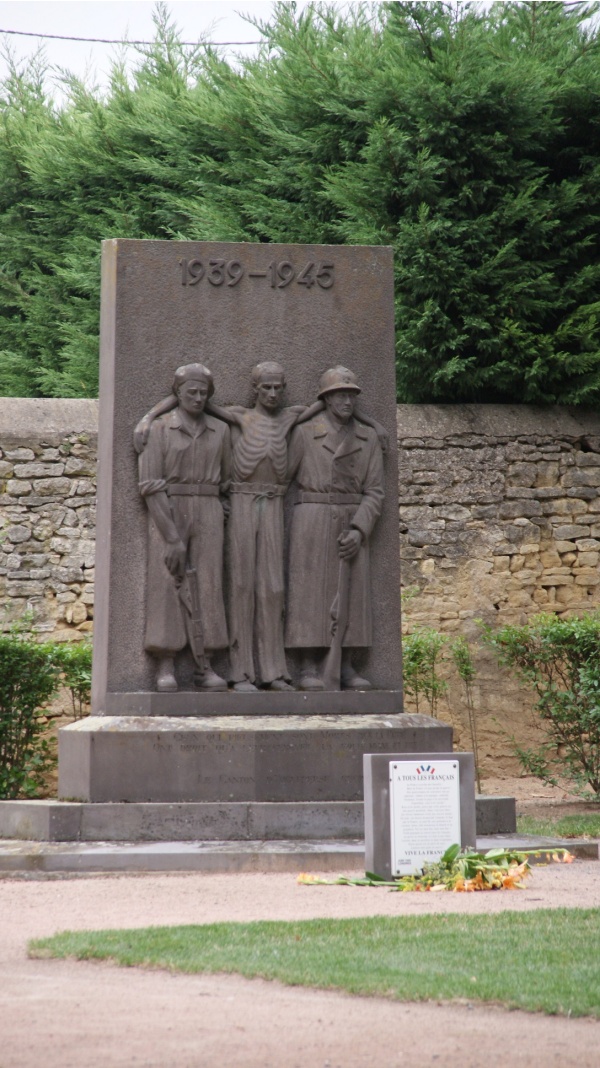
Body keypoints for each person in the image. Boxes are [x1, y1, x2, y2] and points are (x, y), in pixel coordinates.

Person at [285, 366, 385, 690]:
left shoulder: (368, 438)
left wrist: (359, 529)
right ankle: (308, 665)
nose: (347, 400)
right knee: (309, 592)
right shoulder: (304, 433)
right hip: (311, 519)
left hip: (350, 515)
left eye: (352, 394)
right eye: (341, 394)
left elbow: (375, 491)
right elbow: (281, 476)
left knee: (351, 594)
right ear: (326, 399)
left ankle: (346, 665)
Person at [137, 363, 230, 693]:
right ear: (177, 394)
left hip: (208, 509)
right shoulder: (159, 429)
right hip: (169, 510)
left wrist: (221, 510)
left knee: (209, 585)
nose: (198, 398)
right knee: (167, 585)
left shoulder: (221, 430)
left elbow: (228, 478)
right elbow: (149, 484)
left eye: (204, 393)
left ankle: (205, 664)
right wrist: (173, 537)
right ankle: (166, 665)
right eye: (191, 392)